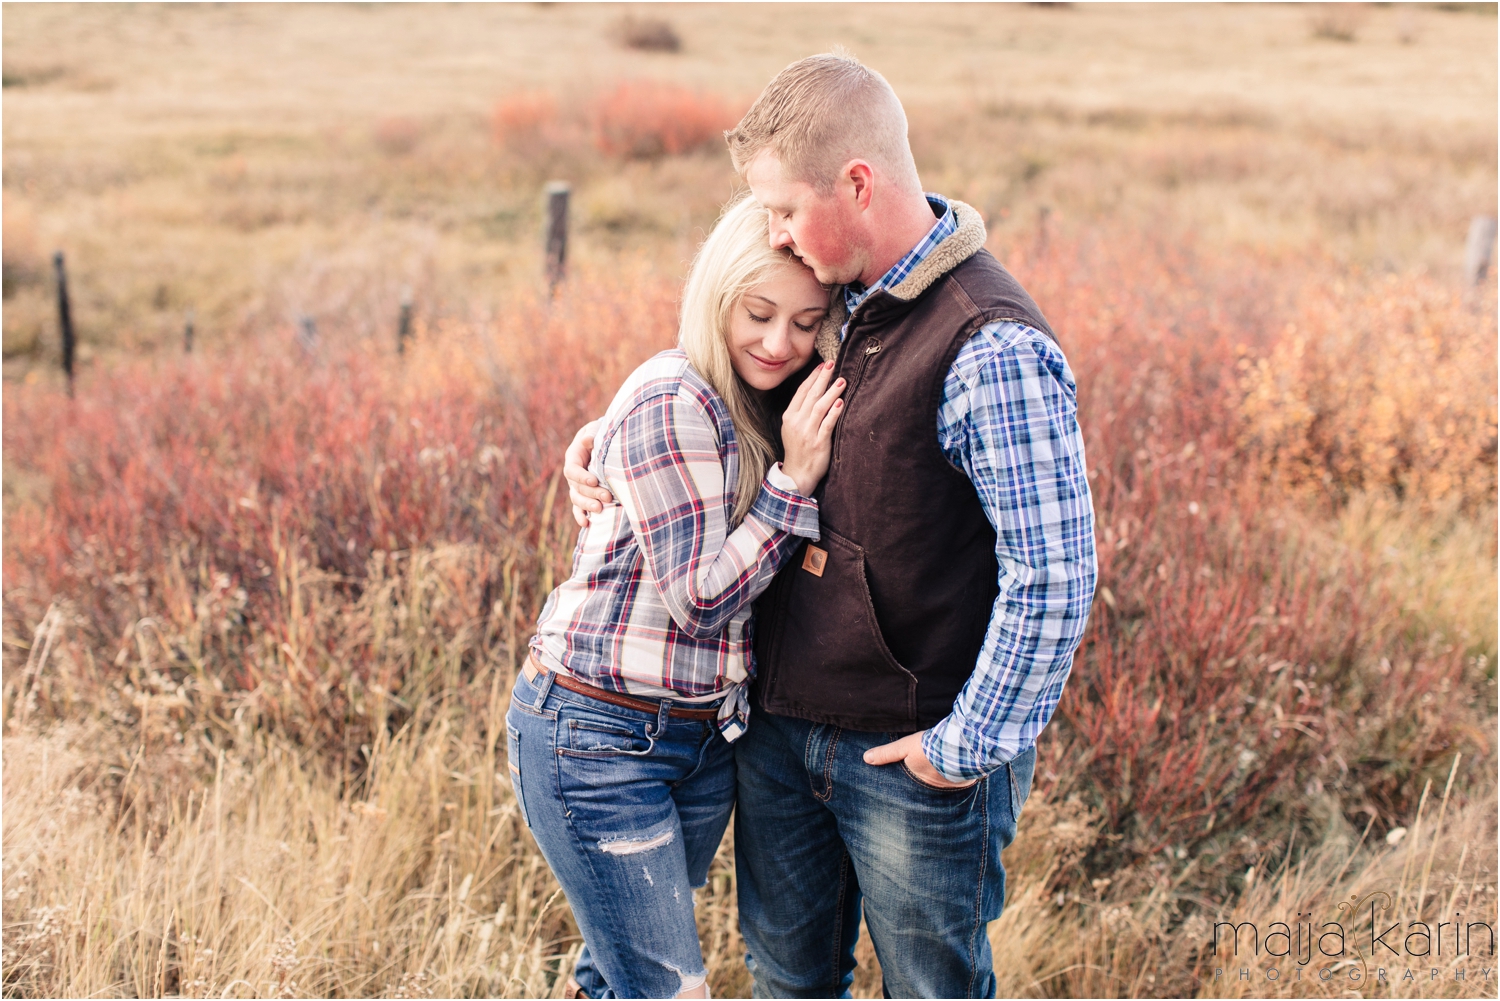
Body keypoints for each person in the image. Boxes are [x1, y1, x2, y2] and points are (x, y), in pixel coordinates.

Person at [564, 53, 1098, 999]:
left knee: (931, 987)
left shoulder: (989, 342)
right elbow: (727, 383)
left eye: (782, 208)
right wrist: (609, 439)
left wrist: (963, 746)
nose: (772, 232)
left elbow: (1053, 573)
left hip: (908, 755)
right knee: (788, 979)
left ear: (857, 182)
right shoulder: (835, 297)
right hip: (778, 736)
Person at [507, 193, 847, 1000]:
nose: (780, 342)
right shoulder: (676, 397)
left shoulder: (761, 397)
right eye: (759, 313)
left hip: (697, 740)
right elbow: (699, 599)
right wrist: (793, 481)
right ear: (716, 295)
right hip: (599, 733)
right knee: (666, 988)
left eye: (807, 323)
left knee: (612, 972)